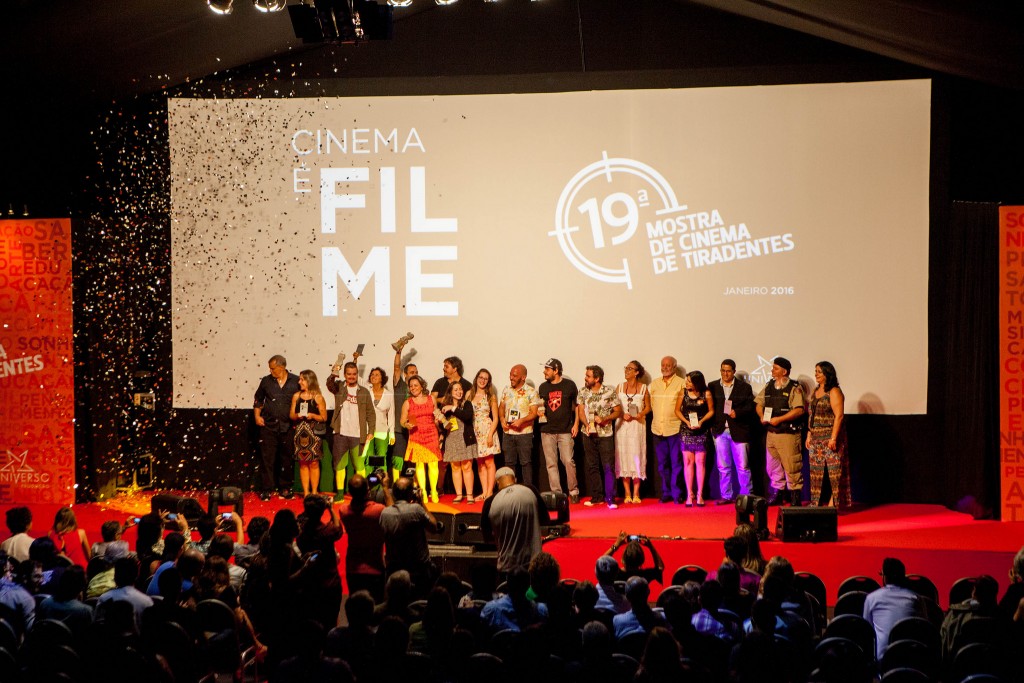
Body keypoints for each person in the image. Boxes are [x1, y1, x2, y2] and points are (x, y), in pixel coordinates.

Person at [755, 356, 806, 507]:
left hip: (787, 434)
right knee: (772, 466)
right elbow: (758, 403)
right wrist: (761, 416)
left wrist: (781, 419)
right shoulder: (769, 385)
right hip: (771, 434)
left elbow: (799, 410)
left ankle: (795, 497)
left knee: (792, 466)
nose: (772, 370)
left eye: (775, 368)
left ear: (784, 371)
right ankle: (777, 494)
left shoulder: (794, 388)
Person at [379, 477, 442, 596]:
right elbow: (434, 526)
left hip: (394, 569)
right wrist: (421, 502)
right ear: (410, 493)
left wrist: (385, 488)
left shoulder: (385, 513)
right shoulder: (416, 510)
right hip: (419, 569)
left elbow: (392, 508)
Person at [481, 466, 547, 576]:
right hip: (534, 564)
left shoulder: (489, 502)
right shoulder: (531, 490)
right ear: (515, 480)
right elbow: (545, 520)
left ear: (497, 483)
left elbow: (487, 537)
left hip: (507, 566)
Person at [709, 359, 757, 504]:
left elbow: (750, 408)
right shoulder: (713, 386)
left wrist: (738, 413)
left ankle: (746, 495)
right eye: (723, 370)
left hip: (739, 431)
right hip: (720, 431)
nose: (725, 373)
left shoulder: (744, 387)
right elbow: (710, 408)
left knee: (743, 466)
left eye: (728, 371)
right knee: (723, 466)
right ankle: (726, 495)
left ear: (734, 371)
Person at [254, 354, 301, 501]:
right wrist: (257, 416)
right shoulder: (266, 381)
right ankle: (267, 489)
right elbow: (258, 399)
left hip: (288, 427)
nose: (271, 371)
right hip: (268, 426)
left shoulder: (296, 381)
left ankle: (285, 488)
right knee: (267, 459)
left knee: (286, 458)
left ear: (282, 367)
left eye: (273, 368)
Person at [327, 360, 376, 499]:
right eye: (349, 374)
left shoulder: (364, 391)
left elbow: (370, 413)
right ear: (344, 374)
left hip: (358, 435)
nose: (351, 377)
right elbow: (329, 384)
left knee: (360, 466)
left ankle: (362, 493)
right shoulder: (339, 388)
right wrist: (333, 372)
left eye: (354, 374)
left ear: (357, 374)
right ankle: (340, 493)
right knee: (340, 465)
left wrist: (371, 430)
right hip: (340, 433)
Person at [863, 557, 927, 660]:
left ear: (885, 577)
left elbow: (867, 630)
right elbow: (924, 626)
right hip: (912, 657)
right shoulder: (916, 598)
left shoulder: (871, 598)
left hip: (882, 658)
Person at [807, 361, 852, 509]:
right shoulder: (815, 391)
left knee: (835, 472)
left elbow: (839, 416)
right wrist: (809, 434)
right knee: (815, 473)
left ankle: (835, 503)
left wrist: (833, 438)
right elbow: (811, 415)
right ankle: (815, 502)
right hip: (815, 438)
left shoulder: (834, 391)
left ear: (827, 374)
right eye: (816, 371)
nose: (816, 374)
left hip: (831, 437)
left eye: (819, 371)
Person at [578, 365, 623, 508]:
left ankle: (610, 498)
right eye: (586, 375)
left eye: (588, 376)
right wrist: (587, 424)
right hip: (587, 433)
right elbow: (580, 411)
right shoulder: (583, 392)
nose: (585, 378)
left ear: (597, 378)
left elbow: (618, 411)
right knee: (592, 466)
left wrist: (605, 419)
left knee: (608, 466)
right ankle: (597, 497)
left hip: (605, 434)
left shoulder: (609, 392)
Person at [339, 473, 389, 602]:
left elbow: (356, 502)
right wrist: (384, 487)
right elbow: (393, 512)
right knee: (376, 606)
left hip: (353, 569)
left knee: (356, 606)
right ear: (367, 492)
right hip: (375, 568)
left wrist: (367, 488)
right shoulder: (378, 510)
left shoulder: (343, 510)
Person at [537, 358, 581, 503]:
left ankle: (573, 491)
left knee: (568, 461)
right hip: (547, 430)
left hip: (565, 430)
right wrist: (538, 412)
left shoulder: (569, 385)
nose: (544, 371)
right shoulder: (543, 387)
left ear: (556, 370)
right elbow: (541, 406)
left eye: (547, 369)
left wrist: (576, 424)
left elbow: (577, 407)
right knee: (551, 463)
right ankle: (557, 493)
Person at [430, 356, 473, 493]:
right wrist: (446, 400)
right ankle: (439, 488)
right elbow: (432, 399)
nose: (444, 369)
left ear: (455, 368)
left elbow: (468, 404)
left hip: (462, 428)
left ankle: (467, 494)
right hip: (442, 424)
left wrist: (453, 402)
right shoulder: (439, 382)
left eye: (446, 366)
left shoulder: (466, 384)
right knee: (443, 461)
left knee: (465, 464)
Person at [400, 375, 444, 503]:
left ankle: (434, 491)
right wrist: (406, 424)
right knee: (419, 464)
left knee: (433, 463)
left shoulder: (431, 399)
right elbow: (402, 420)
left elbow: (436, 415)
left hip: (431, 433)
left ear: (422, 386)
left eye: (415, 385)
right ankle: (423, 491)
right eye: (411, 386)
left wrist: (440, 423)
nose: (413, 388)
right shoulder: (408, 402)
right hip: (416, 435)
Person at [675, 370, 715, 506]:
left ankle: (700, 494)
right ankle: (689, 494)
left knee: (700, 462)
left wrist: (701, 422)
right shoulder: (683, 393)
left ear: (697, 382)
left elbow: (711, 411)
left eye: (689, 381)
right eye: (686, 380)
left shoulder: (706, 393)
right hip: (686, 430)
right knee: (688, 462)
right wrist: (686, 422)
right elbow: (677, 410)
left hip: (701, 430)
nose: (686, 383)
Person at [649, 356, 685, 504]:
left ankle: (677, 493)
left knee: (676, 463)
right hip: (658, 429)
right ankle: (666, 492)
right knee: (662, 464)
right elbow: (652, 404)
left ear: (674, 367)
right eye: (663, 365)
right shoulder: (655, 384)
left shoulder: (681, 383)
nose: (665, 367)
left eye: (668, 365)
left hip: (674, 429)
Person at [615, 360, 651, 504]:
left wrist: (640, 414)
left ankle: (636, 493)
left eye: (630, 369)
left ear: (637, 372)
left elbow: (648, 407)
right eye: (626, 368)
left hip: (637, 426)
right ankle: (627, 493)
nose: (627, 371)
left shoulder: (643, 388)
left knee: (637, 457)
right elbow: (615, 407)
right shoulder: (619, 387)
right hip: (622, 426)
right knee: (623, 458)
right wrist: (622, 414)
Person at [289, 369, 328, 497]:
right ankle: (306, 492)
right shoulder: (296, 396)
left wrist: (312, 415)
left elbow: (324, 417)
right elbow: (291, 415)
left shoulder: (318, 397)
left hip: (314, 434)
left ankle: (315, 492)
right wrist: (298, 415)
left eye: (302, 379)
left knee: (314, 462)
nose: (299, 382)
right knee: (303, 462)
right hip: (300, 433)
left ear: (309, 381)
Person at [500, 364, 540, 487]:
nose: (511, 377)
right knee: (509, 463)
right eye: (510, 374)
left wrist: (521, 421)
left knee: (525, 463)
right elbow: (501, 407)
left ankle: (528, 490)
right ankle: (509, 489)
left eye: (515, 375)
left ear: (523, 377)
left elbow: (534, 413)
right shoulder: (506, 389)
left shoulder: (532, 392)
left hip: (524, 434)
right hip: (508, 433)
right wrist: (502, 419)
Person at [439, 380, 478, 502]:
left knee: (467, 467)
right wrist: (440, 421)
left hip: (465, 439)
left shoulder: (467, 404)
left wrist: (453, 408)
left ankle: (470, 495)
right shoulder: (445, 407)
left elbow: (466, 416)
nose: (459, 392)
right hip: (451, 439)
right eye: (455, 390)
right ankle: (459, 494)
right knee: (455, 467)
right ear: (450, 392)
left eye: (460, 389)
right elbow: (443, 426)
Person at [468, 368, 501, 500]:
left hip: (487, 430)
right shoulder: (468, 395)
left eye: (485, 379)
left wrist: (490, 435)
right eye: (480, 377)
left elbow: (496, 418)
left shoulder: (491, 397)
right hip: (474, 431)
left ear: (488, 382)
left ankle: (490, 492)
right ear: (476, 378)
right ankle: (484, 492)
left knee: (489, 462)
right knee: (480, 463)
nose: (482, 380)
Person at [391, 338, 418, 482]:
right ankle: (396, 485)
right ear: (405, 374)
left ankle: (413, 486)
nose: (414, 374)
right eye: (411, 372)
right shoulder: (400, 385)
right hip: (399, 429)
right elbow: (396, 368)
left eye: (416, 372)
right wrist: (398, 353)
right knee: (398, 459)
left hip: (414, 429)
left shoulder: (420, 389)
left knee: (413, 460)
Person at [364, 365, 396, 475]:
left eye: (377, 375)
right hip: (368, 431)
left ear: (382, 378)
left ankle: (383, 488)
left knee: (381, 460)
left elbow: (391, 415)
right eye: (372, 375)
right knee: (368, 459)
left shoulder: (389, 394)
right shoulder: (366, 391)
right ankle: (368, 488)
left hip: (382, 431)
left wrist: (392, 434)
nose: (373, 376)